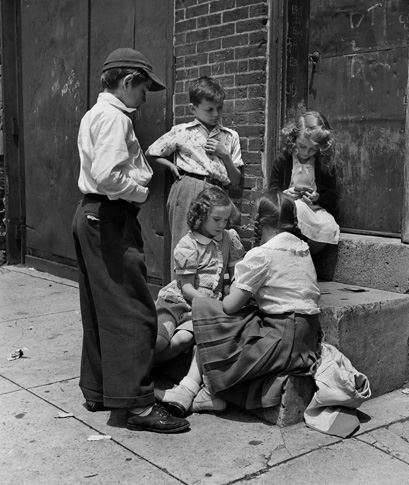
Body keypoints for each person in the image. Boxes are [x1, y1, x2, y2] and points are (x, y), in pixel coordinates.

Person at [72, 47, 189, 433]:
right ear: (126, 83)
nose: (144, 97)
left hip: (92, 215)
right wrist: (140, 190)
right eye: (143, 89)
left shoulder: (97, 113)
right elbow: (107, 175)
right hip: (109, 216)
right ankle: (137, 406)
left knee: (100, 306)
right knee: (136, 310)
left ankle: (101, 388)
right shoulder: (114, 118)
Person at [155, 191, 322, 415]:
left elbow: (230, 306)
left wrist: (232, 290)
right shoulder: (302, 248)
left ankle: (188, 388)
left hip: (281, 339)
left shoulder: (263, 254)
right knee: (239, 317)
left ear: (260, 224)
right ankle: (206, 393)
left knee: (210, 312)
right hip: (307, 340)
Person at [146, 76, 243, 274]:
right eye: (209, 109)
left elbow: (236, 181)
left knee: (216, 246)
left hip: (218, 192)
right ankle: (178, 299)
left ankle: (210, 294)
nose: (215, 114)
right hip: (188, 188)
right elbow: (151, 152)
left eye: (219, 108)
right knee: (184, 244)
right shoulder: (182, 131)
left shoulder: (230, 136)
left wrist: (225, 155)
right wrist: (169, 165)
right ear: (193, 109)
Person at [154, 186, 245, 363]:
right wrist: (211, 304)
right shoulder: (189, 244)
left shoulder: (229, 239)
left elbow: (236, 276)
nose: (222, 225)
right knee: (159, 339)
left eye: (225, 220)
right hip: (178, 302)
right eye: (216, 219)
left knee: (182, 340)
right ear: (201, 216)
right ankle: (133, 371)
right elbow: (186, 288)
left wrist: (230, 299)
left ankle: (151, 370)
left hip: (205, 306)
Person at [269, 110, 339, 254]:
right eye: (302, 146)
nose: (306, 153)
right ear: (293, 139)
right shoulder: (283, 160)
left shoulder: (322, 163)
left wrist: (317, 197)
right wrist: (284, 195)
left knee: (329, 227)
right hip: (287, 209)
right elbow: (271, 192)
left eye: (313, 149)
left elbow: (332, 196)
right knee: (298, 208)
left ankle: (305, 255)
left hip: (314, 210)